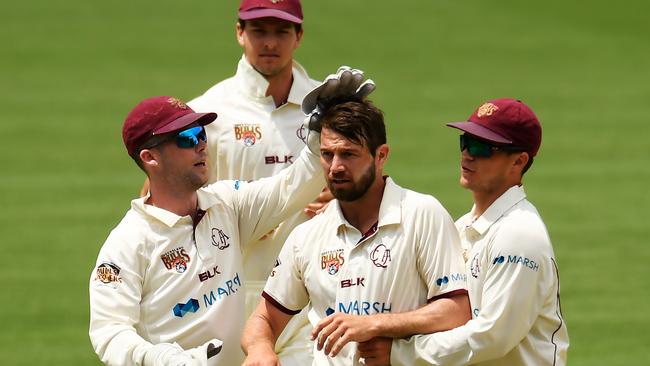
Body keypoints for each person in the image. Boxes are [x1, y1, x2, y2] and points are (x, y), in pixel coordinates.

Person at [88, 94, 326, 365]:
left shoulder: (226, 203)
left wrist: (320, 137)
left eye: (202, 134)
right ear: (150, 157)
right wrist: (161, 358)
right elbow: (109, 332)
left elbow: (289, 189)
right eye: (187, 138)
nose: (201, 145)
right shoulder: (128, 242)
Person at [241, 95, 472, 366]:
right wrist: (260, 348)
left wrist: (375, 325)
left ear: (381, 155)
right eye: (327, 154)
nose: (336, 167)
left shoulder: (422, 214)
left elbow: (457, 311)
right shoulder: (307, 236)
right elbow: (264, 318)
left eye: (349, 154)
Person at [361, 98, 569, 365]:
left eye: (483, 147)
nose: (468, 153)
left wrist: (400, 353)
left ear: (518, 161)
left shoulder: (518, 235)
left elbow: (492, 336)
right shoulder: (462, 227)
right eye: (465, 141)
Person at [186, 1, 329, 362]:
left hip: (316, 289)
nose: (270, 42)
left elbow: (370, 180)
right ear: (239, 33)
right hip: (232, 291)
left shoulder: (329, 108)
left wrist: (344, 197)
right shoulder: (207, 112)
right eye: (258, 31)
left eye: (281, 31)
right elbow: (166, 199)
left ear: (298, 36)